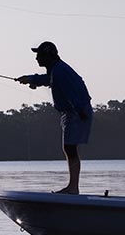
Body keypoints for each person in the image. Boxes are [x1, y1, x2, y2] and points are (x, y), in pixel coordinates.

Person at [17, 41, 93, 194]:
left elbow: (70, 92)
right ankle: (73, 187)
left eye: (39, 55)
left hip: (76, 112)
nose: (37, 58)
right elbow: (47, 80)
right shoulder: (56, 70)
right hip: (73, 112)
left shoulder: (59, 71)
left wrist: (80, 111)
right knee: (69, 148)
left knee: (70, 148)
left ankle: (73, 188)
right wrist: (30, 79)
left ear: (48, 56)